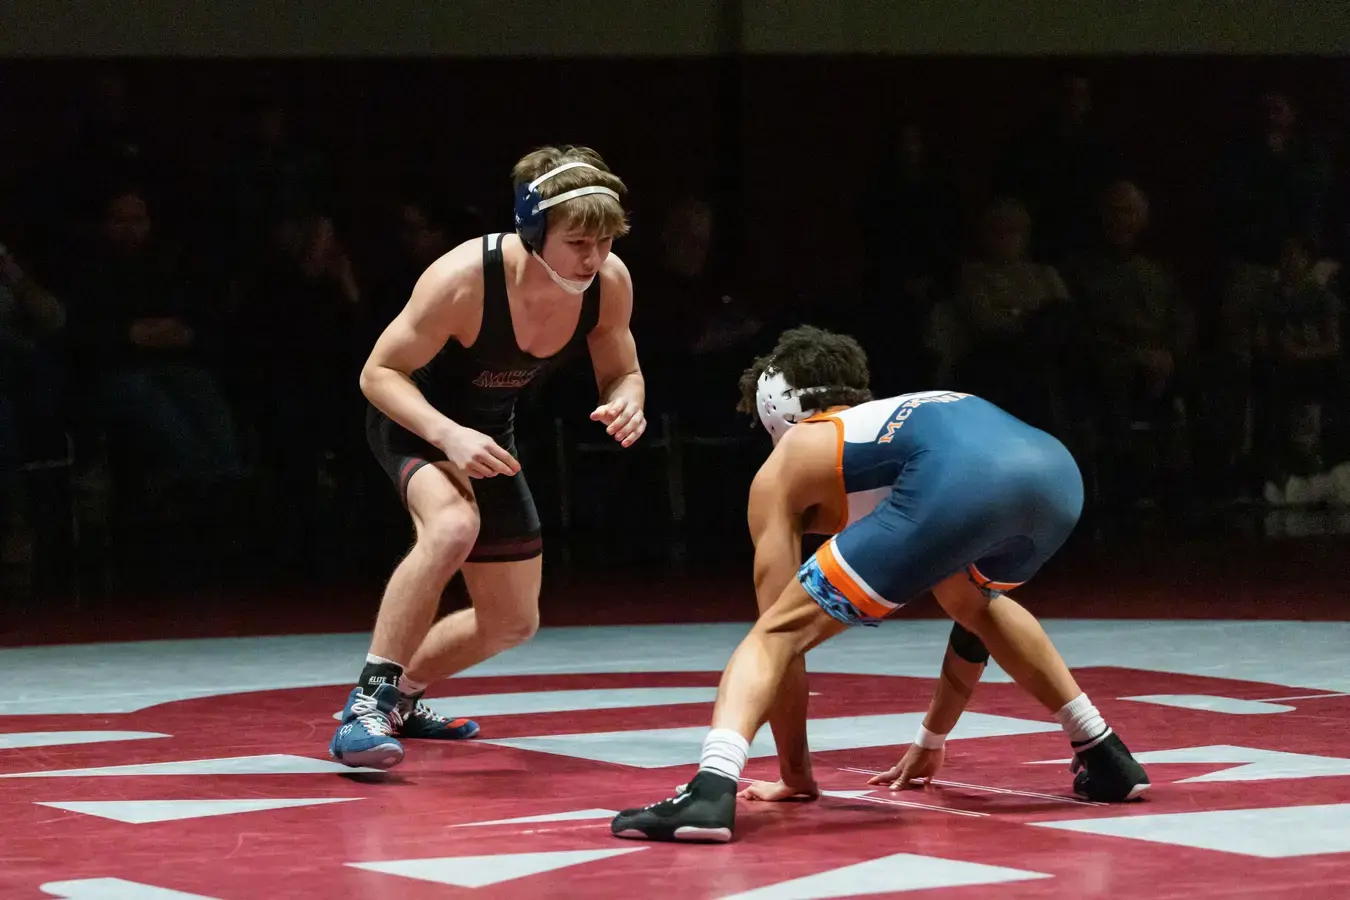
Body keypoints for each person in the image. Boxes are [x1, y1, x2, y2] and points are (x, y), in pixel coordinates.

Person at [611, 325, 1148, 843]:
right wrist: (931, 738)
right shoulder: (892, 427)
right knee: (976, 602)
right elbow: (973, 628)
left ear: (774, 410)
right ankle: (1103, 753)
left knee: (773, 635)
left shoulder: (791, 457)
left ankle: (710, 788)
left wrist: (796, 775)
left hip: (959, 480)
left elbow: (781, 644)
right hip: (1056, 477)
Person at [330, 146, 646, 769]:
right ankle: (364, 708)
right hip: (414, 419)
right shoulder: (465, 278)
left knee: (511, 622)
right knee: (453, 526)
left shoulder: (608, 283)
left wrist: (628, 400)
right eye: (579, 241)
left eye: (606, 241)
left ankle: (402, 698)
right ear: (532, 233)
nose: (595, 257)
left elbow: (622, 369)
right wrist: (447, 435)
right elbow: (379, 373)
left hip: (487, 434)